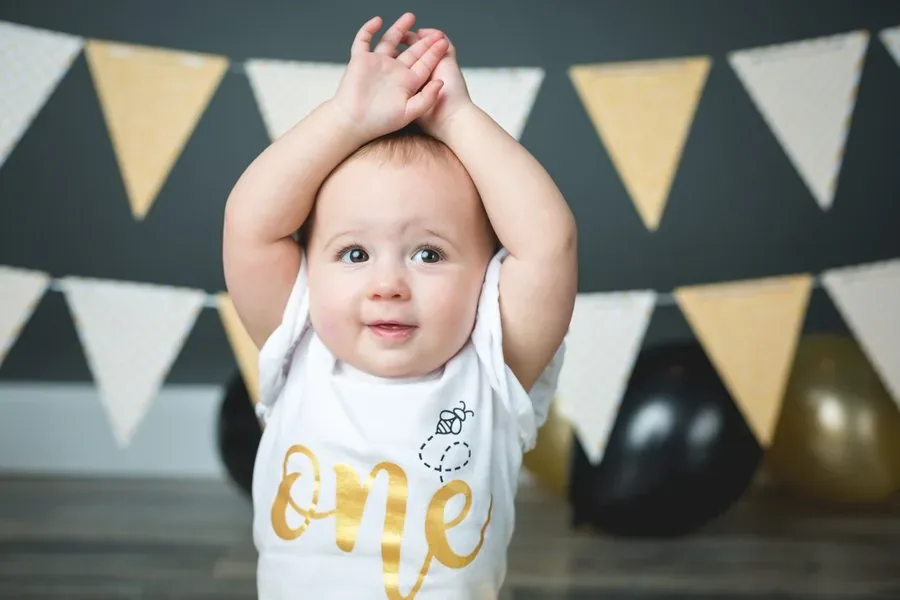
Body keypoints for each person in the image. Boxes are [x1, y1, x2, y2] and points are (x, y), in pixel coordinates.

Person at [222, 11, 577, 599]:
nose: (388, 284)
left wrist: (459, 120)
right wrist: (344, 120)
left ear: (488, 280)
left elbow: (548, 242)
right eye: (355, 253)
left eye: (429, 255)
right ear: (311, 269)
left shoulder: (493, 368)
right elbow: (249, 222)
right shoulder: (300, 344)